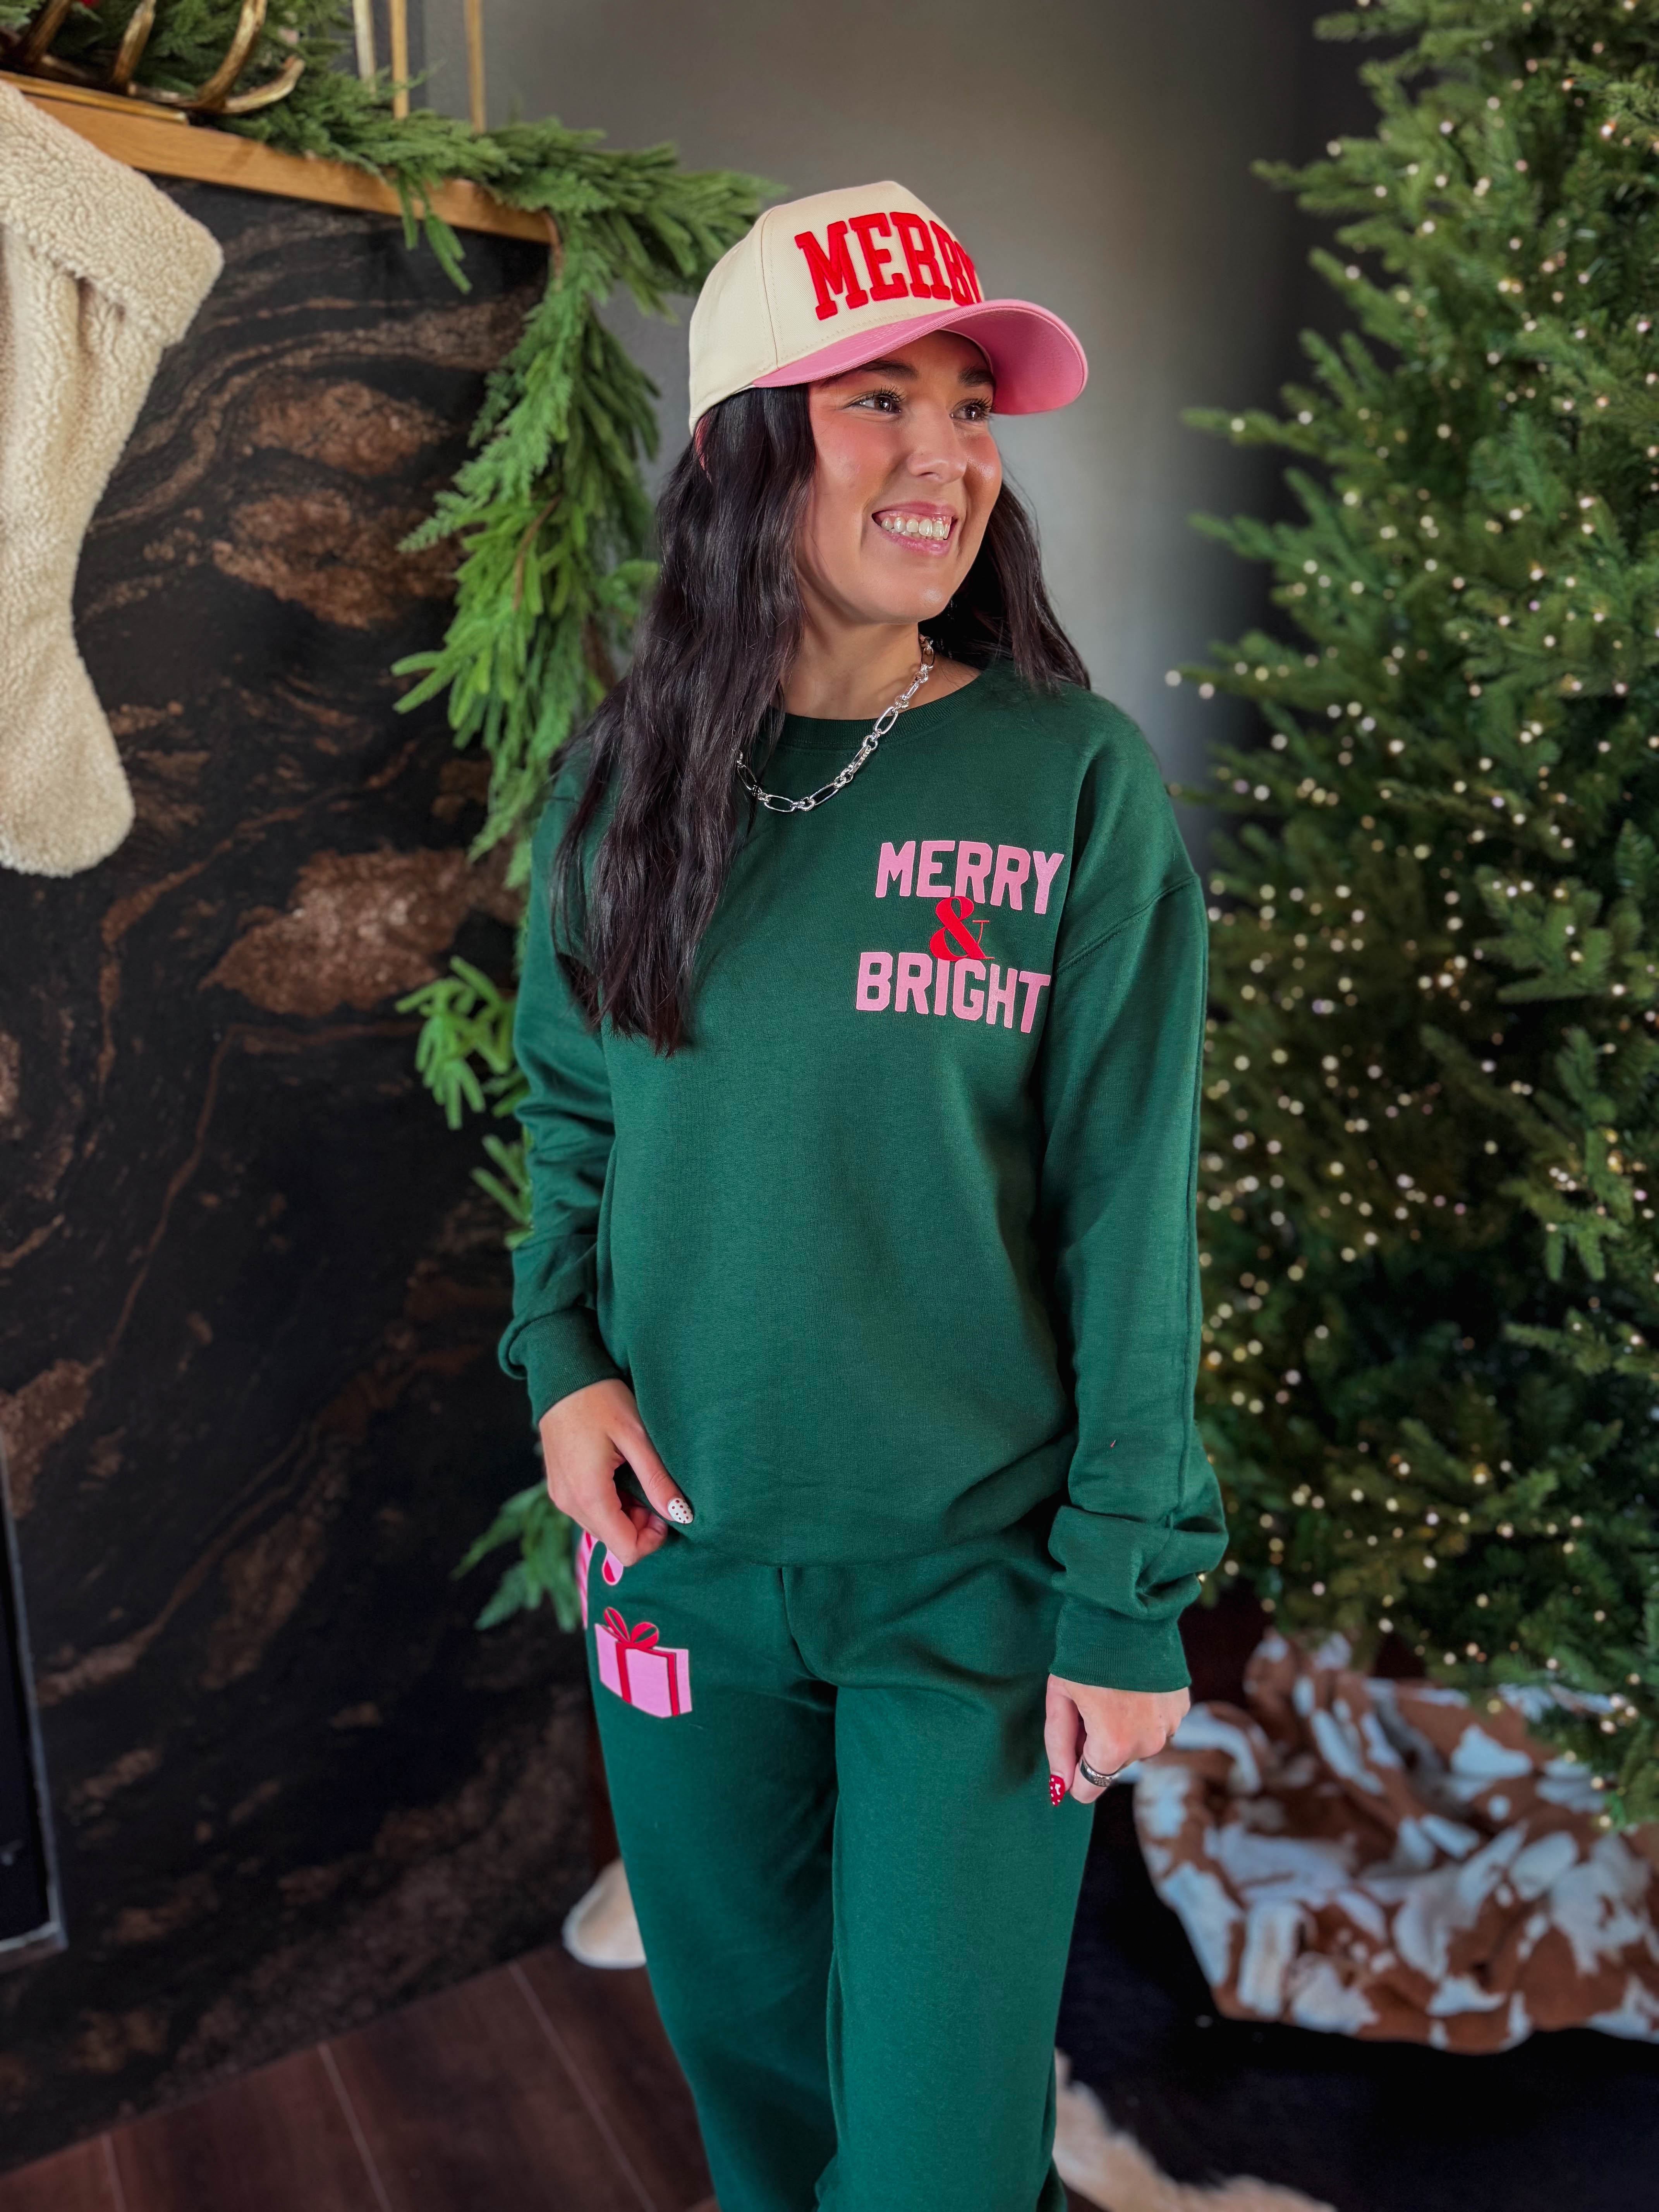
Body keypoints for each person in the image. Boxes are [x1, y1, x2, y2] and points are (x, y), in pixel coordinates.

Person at [501, 180, 1228, 2212]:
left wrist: (1127, 1593)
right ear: (746, 451)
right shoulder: (621, 785)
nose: (947, 455)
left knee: (931, 2164)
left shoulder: (1070, 784)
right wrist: (564, 1366)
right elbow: (574, 1118)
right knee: (758, 2113)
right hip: (681, 1572)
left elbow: (1131, 1215)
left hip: (965, 1593)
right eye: (877, 401)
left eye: (969, 407)